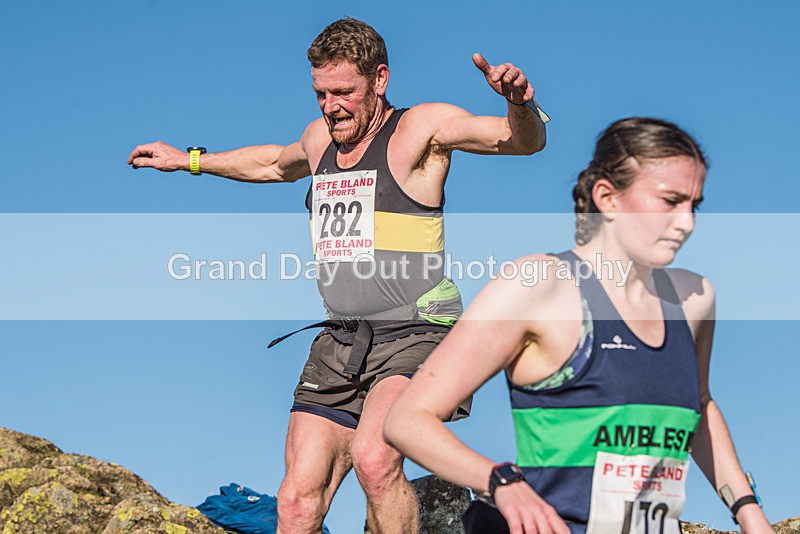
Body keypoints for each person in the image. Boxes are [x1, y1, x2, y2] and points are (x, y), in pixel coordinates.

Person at [127, 18, 547, 533]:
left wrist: (519, 105)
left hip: (417, 330)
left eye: (344, 92)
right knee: (295, 500)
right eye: (321, 94)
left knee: (375, 458)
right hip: (341, 339)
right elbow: (273, 164)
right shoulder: (319, 140)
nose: (331, 107)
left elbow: (519, 141)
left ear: (380, 79)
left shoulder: (420, 129)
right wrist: (188, 160)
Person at [384, 118, 773, 534]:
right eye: (669, 201)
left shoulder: (693, 300)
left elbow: (700, 404)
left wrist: (750, 513)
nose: (687, 223)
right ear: (607, 197)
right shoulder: (538, 286)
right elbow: (407, 419)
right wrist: (500, 482)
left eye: (694, 205)